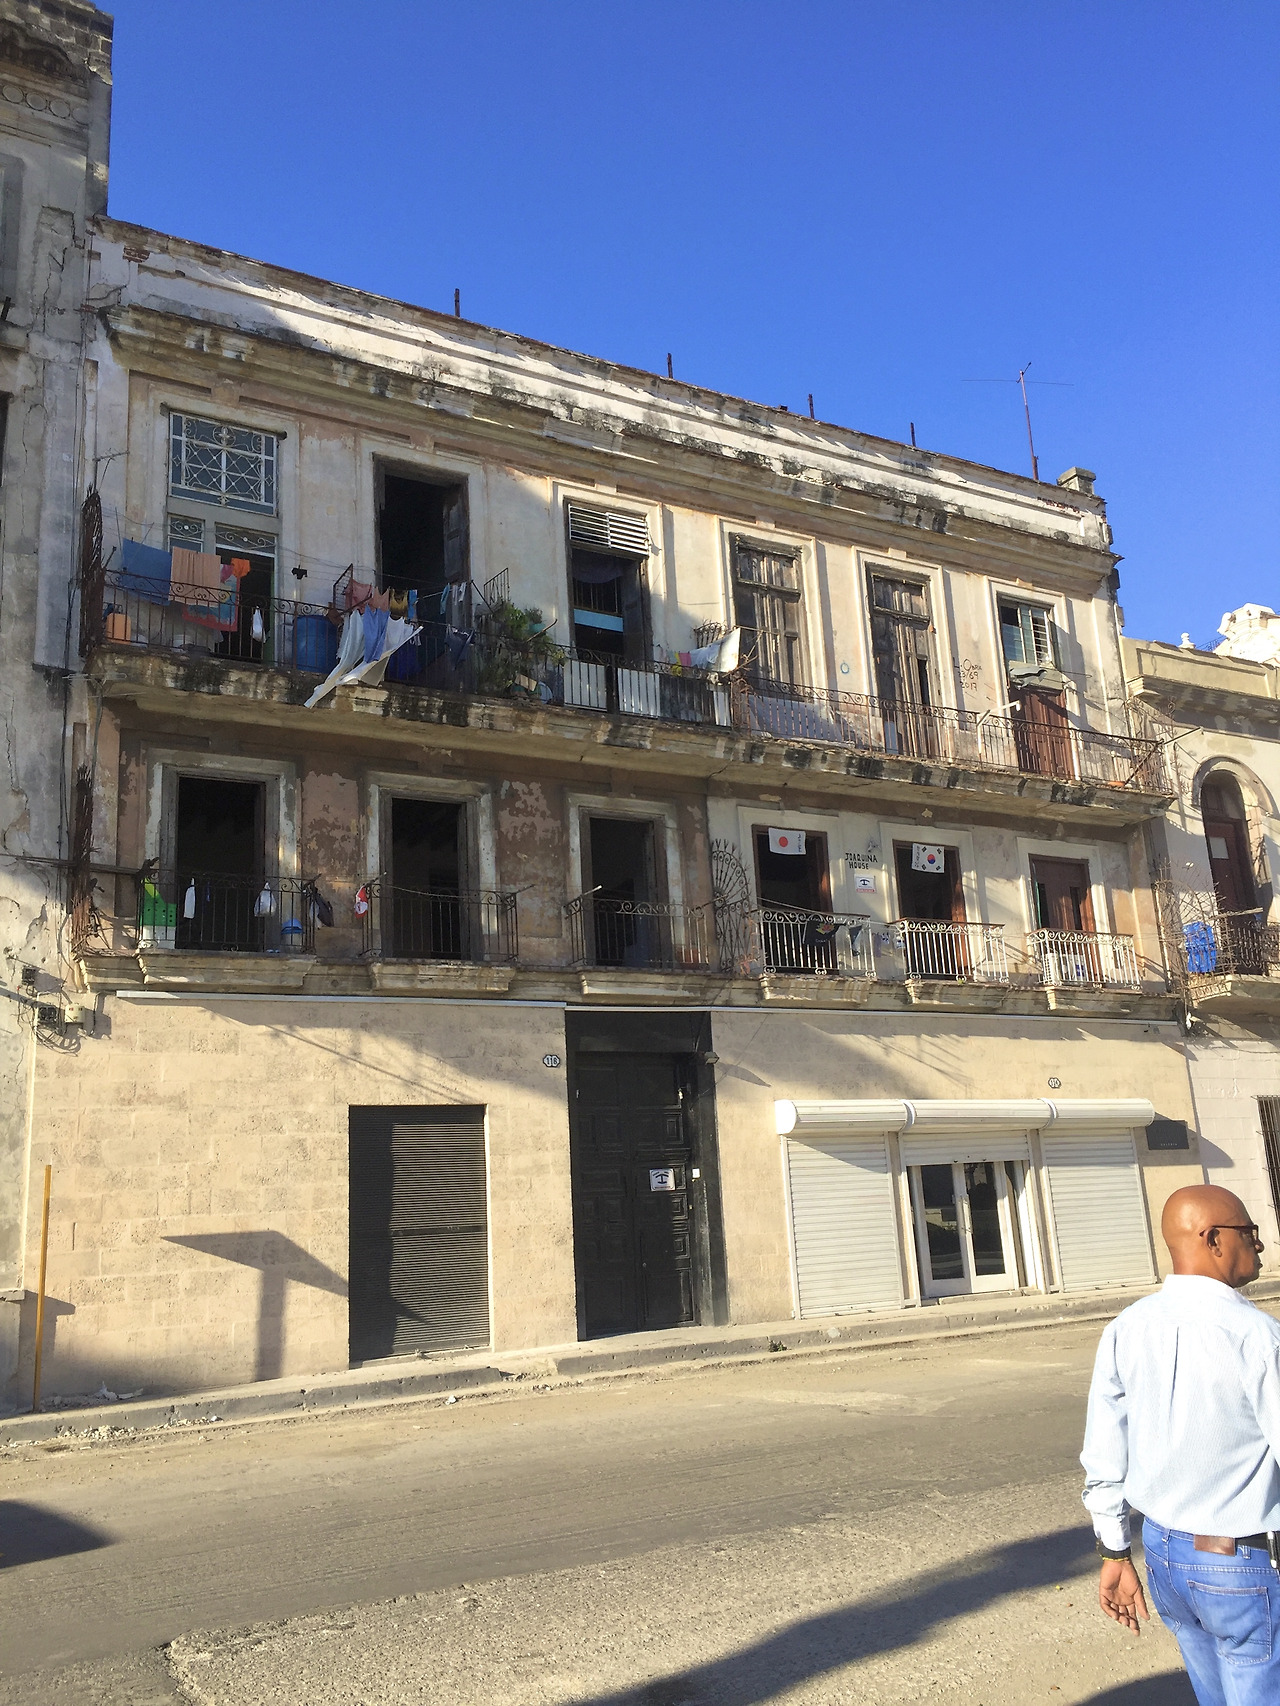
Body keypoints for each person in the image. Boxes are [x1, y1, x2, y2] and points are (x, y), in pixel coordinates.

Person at [1081, 1182, 1280, 1704]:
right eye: (1248, 1232)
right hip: (1238, 1562)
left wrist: (1114, 1552)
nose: (1259, 1244)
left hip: (1165, 1557)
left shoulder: (1128, 1327)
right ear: (1213, 1238)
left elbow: (1105, 1452)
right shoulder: (1256, 1336)